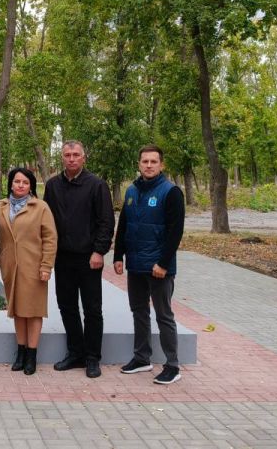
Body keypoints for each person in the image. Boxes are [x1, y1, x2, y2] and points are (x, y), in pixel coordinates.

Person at [114, 144, 185, 385]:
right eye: (145, 161)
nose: (149, 165)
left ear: (161, 165)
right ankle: (142, 358)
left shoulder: (171, 192)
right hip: (135, 264)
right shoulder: (132, 191)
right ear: (139, 164)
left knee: (164, 315)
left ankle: (172, 365)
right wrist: (117, 256)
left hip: (158, 268)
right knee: (139, 312)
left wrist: (163, 263)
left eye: (154, 161)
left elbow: (176, 232)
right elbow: (124, 224)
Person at [43, 140, 114, 379]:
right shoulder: (52, 186)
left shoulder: (97, 185)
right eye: (67, 155)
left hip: (89, 258)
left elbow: (106, 222)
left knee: (93, 309)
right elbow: (47, 223)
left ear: (84, 158)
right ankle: (76, 353)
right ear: (61, 158)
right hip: (62, 258)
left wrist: (99, 252)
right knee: (67, 307)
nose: (71, 159)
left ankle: (93, 357)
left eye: (76, 155)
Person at [0, 167, 57, 375]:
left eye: (25, 182)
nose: (20, 185)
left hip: (34, 267)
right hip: (10, 266)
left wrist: (46, 266)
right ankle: (20, 352)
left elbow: (50, 238)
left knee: (33, 310)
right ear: (10, 183)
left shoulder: (40, 207)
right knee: (18, 310)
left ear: (31, 186)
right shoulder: (1, 207)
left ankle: (32, 355)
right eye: (17, 181)